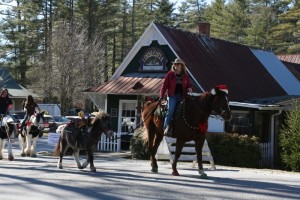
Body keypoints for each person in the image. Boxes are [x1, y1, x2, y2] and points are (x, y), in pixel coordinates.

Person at [160, 58, 193, 137]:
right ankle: (166, 127)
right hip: (172, 96)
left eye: (177, 64)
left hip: (182, 96)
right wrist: (161, 96)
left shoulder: (185, 76)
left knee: (187, 110)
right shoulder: (170, 74)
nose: (175, 65)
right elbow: (164, 86)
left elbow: (189, 85)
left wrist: (190, 88)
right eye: (175, 64)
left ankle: (184, 127)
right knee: (171, 110)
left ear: (181, 66)